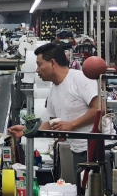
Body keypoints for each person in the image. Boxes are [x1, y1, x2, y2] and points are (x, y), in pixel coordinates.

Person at [8, 43, 106, 184]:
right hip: (78, 152)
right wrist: (26, 130)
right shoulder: (54, 91)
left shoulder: (79, 79)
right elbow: (54, 124)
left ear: (52, 63)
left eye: (39, 65)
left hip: (99, 150)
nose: (37, 70)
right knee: (83, 195)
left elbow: (100, 108)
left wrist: (72, 125)